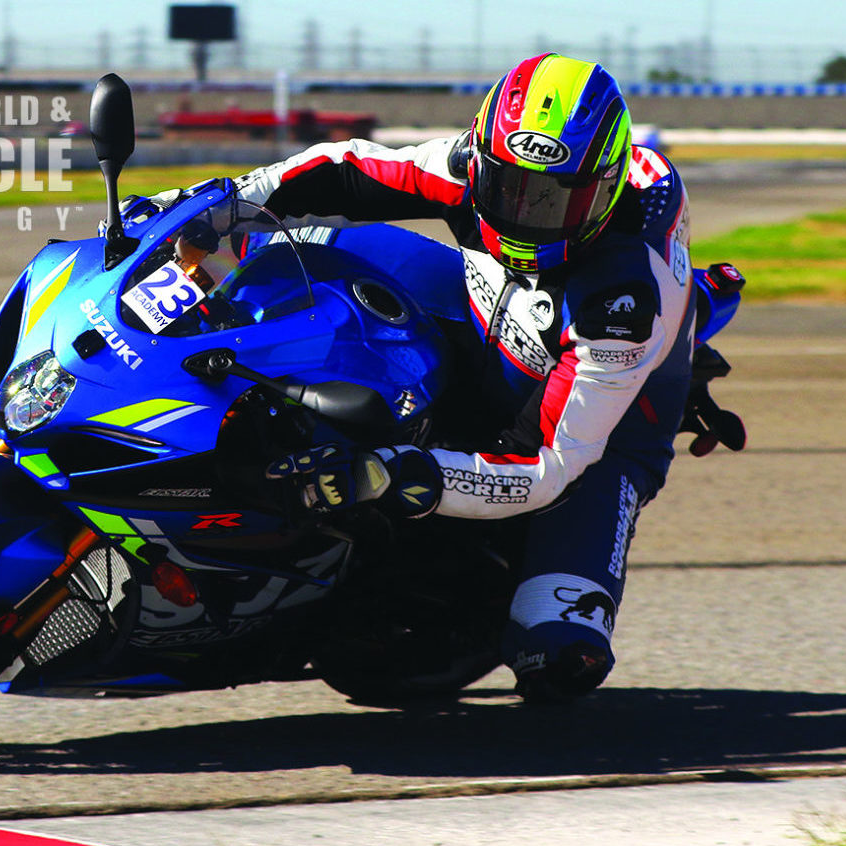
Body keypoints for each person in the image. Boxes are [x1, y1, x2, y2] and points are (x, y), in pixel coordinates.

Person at [232, 53, 702, 704]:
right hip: (481, 306)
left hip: (597, 432)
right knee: (293, 245)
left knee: (559, 654)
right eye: (508, 188)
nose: (524, 215)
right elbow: (345, 167)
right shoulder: (468, 164)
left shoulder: (622, 304)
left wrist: (400, 474)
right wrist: (213, 206)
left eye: (553, 201)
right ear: (479, 156)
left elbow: (549, 467)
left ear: (604, 189)